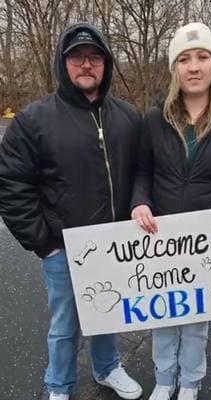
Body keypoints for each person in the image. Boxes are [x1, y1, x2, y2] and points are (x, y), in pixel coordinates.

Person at [0, 22, 143, 400]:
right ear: (62, 64)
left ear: (106, 64)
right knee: (66, 324)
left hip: (116, 246)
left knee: (109, 313)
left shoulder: (128, 117)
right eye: (76, 56)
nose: (85, 64)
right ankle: (59, 385)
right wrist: (44, 242)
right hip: (63, 249)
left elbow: (144, 172)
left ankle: (108, 367)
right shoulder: (34, 120)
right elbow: (12, 184)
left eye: (94, 57)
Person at [131, 22, 211, 400]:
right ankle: (163, 378)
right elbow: (142, 171)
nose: (194, 66)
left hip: (207, 243)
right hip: (161, 239)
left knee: (195, 321)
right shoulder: (155, 118)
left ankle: (189, 382)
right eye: (184, 59)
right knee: (163, 317)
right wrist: (139, 201)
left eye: (202, 57)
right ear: (174, 69)